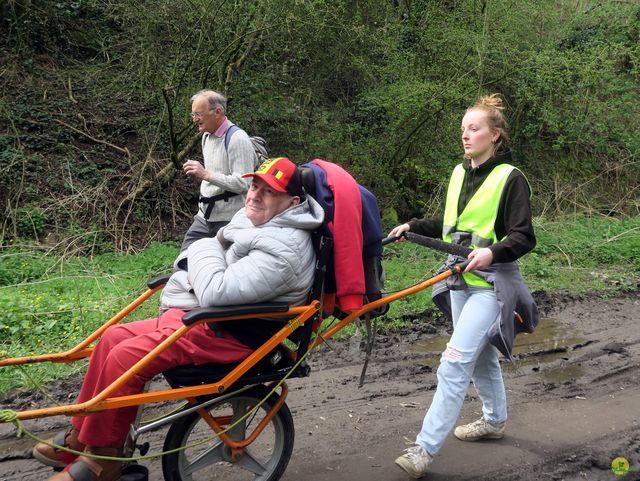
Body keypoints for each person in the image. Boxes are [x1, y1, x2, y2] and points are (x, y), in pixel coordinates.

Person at [33, 157, 324, 481]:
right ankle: (81, 437)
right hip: (204, 316)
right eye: (254, 185)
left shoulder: (284, 251)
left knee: (125, 358)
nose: (254, 194)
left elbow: (214, 286)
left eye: (268, 191)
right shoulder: (256, 219)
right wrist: (209, 254)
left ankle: (105, 462)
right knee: (113, 337)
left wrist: (200, 249)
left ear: (293, 202)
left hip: (230, 335)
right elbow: (217, 262)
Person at [390, 94, 537, 478]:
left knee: (454, 362)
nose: (466, 136)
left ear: (496, 135)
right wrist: (413, 226)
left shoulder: (511, 178)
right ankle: (494, 421)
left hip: (492, 284)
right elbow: (450, 223)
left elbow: (524, 237)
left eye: (474, 129)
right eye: (463, 130)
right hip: (458, 280)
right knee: (480, 356)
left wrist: (493, 253)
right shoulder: (459, 173)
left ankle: (423, 449)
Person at [181, 89, 258, 252]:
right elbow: (214, 177)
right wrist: (204, 175)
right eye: (192, 114)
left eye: (198, 114)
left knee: (224, 267)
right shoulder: (206, 136)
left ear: (217, 112)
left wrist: (206, 175)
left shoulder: (238, 138)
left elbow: (244, 183)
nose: (194, 119)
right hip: (204, 216)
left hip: (229, 221)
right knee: (185, 259)